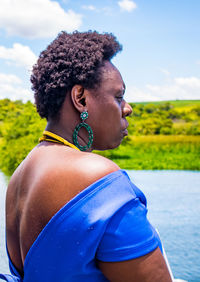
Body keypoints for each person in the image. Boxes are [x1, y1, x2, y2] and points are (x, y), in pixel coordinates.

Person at [0, 31, 172, 282]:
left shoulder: (19, 177)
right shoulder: (96, 176)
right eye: (118, 96)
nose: (128, 108)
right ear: (80, 98)